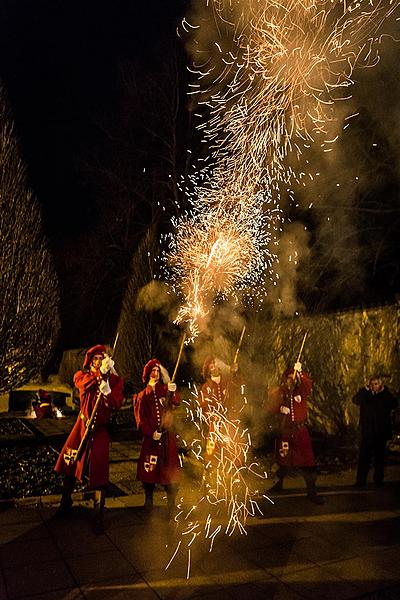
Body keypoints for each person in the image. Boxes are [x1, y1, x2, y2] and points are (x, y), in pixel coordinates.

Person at [54, 344, 124, 533]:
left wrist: (107, 390)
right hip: (82, 426)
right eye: (95, 359)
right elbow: (83, 386)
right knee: (70, 463)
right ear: (90, 362)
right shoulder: (82, 375)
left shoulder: (115, 381)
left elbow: (117, 403)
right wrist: (99, 377)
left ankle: (98, 514)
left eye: (102, 359)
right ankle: (65, 501)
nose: (98, 362)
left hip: (100, 431)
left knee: (99, 473)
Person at [267, 362, 324, 504]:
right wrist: (279, 408)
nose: (292, 381)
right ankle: (278, 485)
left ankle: (312, 492)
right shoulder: (280, 392)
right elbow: (269, 406)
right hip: (286, 431)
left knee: (307, 462)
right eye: (289, 378)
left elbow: (308, 384)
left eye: (294, 378)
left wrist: (300, 372)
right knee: (283, 460)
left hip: (300, 431)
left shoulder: (301, 390)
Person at [134, 358, 181, 519]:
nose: (156, 374)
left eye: (158, 371)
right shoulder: (142, 395)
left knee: (170, 470)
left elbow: (176, 402)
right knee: (150, 472)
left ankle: (171, 505)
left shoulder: (165, 390)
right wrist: (151, 432)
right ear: (147, 374)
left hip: (168, 439)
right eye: (152, 371)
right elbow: (141, 419)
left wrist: (172, 389)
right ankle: (148, 502)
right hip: (152, 440)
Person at [199, 355, 247, 475]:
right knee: (211, 453)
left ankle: (235, 480)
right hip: (214, 426)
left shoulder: (229, 381)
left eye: (216, 364)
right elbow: (203, 407)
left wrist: (235, 373)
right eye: (211, 366)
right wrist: (213, 415)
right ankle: (208, 481)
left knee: (233, 452)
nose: (214, 367)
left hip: (229, 424)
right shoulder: (205, 387)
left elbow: (240, 385)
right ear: (208, 370)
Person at [352, 375, 398, 487]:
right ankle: (360, 481)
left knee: (379, 458)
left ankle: (378, 480)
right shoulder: (366, 395)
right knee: (364, 458)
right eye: (371, 384)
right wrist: (364, 390)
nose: (373, 386)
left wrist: (384, 391)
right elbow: (355, 400)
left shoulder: (385, 396)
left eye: (376, 384)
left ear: (380, 385)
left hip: (380, 432)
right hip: (368, 432)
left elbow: (394, 404)